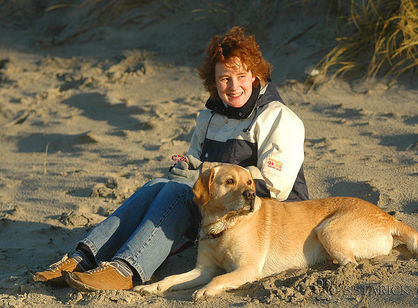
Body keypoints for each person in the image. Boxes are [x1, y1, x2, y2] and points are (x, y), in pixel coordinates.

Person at [33, 26, 309, 291]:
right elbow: (196, 168)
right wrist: (186, 168)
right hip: (216, 212)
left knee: (176, 193)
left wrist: (204, 170)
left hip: (268, 219)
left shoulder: (278, 117)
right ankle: (83, 257)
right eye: (224, 78)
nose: (233, 86)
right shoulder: (208, 118)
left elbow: (277, 186)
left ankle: (126, 268)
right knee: (158, 185)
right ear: (213, 82)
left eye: (241, 76)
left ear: (255, 75)